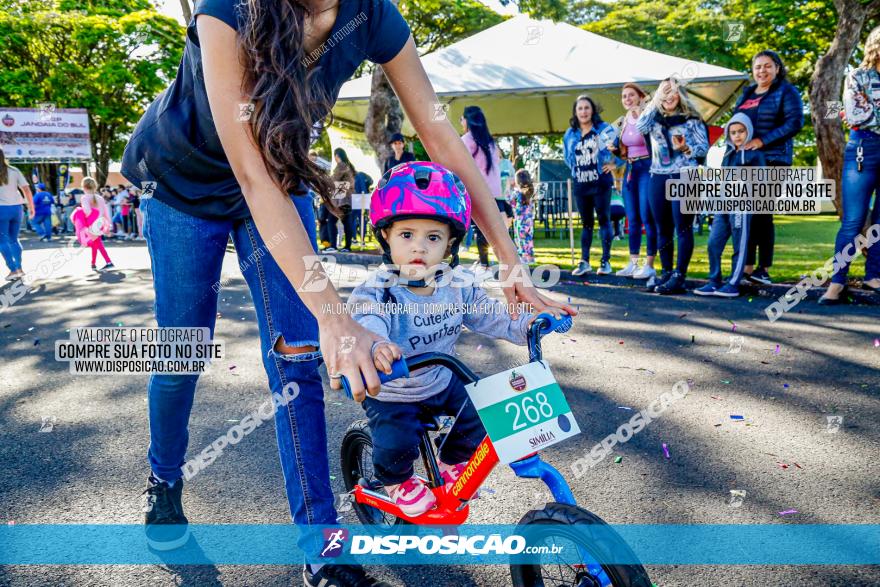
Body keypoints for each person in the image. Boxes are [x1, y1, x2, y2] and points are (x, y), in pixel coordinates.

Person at [119, 1, 572, 585]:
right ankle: (164, 476)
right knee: (183, 350)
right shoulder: (227, 9)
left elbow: (440, 134)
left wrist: (513, 264)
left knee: (299, 357)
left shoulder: (373, 15)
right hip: (183, 184)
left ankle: (322, 550)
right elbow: (248, 175)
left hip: (277, 177)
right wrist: (336, 316)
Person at [348, 162, 540, 515]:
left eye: (432, 237)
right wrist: (376, 343)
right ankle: (395, 480)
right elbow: (365, 317)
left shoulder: (457, 283)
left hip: (441, 379)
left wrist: (529, 324)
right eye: (406, 235)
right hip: (394, 390)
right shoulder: (377, 289)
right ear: (386, 236)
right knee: (397, 441)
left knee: (489, 410)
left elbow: (491, 315)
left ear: (450, 242)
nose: (419, 247)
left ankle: (453, 460)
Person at [733, 50, 804, 285]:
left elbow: (795, 123)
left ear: (777, 68)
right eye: (758, 67)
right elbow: (736, 123)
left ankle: (763, 269)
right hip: (747, 161)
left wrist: (762, 141)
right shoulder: (747, 93)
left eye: (767, 66)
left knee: (762, 213)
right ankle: (746, 268)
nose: (762, 71)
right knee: (747, 214)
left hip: (773, 159)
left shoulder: (786, 91)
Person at [820, 28, 880, 304]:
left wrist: (871, 110)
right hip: (863, 149)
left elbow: (865, 113)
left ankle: (873, 275)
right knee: (853, 221)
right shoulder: (858, 75)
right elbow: (856, 114)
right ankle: (837, 281)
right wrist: (866, 113)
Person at [637, 79, 709, 295]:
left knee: (683, 227)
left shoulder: (692, 120)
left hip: (685, 175)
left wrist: (686, 147)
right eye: (665, 92)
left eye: (673, 92)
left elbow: (703, 148)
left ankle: (679, 275)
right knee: (663, 228)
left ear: (681, 96)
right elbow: (640, 125)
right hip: (658, 176)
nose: (669, 97)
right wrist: (655, 98)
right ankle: (667, 272)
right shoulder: (654, 120)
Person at [694, 113, 764, 298]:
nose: (738, 135)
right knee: (713, 243)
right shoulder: (727, 152)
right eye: (733, 132)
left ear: (748, 131)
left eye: (741, 131)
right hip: (722, 204)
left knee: (739, 245)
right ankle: (714, 281)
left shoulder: (755, 154)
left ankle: (733, 283)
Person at [563, 94, 618, 277]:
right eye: (580, 108)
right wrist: (576, 170)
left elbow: (621, 149)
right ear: (575, 112)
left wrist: (614, 164)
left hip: (600, 181)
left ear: (592, 110)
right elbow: (567, 157)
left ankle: (605, 261)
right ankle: (584, 261)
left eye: (587, 108)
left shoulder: (604, 129)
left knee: (604, 219)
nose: (584, 112)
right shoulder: (570, 134)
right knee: (586, 223)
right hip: (581, 183)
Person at [612, 82, 656, 280]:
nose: (627, 99)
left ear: (640, 96)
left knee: (647, 216)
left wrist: (642, 117)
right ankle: (633, 263)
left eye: (631, 95)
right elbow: (623, 150)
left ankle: (649, 265)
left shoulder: (648, 115)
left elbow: (655, 140)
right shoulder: (623, 121)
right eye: (624, 96)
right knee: (632, 217)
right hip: (631, 168)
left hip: (647, 166)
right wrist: (614, 151)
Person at [460, 105, 507, 270]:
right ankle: (504, 263)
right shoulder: (491, 141)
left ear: (466, 120)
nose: (461, 122)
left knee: (479, 228)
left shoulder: (467, 139)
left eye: (461, 119)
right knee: (496, 230)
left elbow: (461, 165)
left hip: (479, 191)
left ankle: (485, 264)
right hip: (496, 193)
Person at [0, 150, 34, 281]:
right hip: (16, 209)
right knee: (14, 239)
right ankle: (19, 268)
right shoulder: (14, 170)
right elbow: (26, 189)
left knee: (2, 241)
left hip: (1, 209)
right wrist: (31, 207)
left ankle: (13, 269)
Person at [71, 177, 114, 272]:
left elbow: (87, 211)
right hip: (100, 223)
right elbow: (105, 212)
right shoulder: (100, 198)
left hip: (91, 224)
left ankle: (108, 262)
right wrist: (108, 225)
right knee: (95, 243)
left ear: (84, 187)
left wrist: (79, 212)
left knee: (97, 243)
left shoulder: (85, 197)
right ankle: (93, 263)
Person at [330, 147, 356, 253]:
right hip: (347, 197)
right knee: (347, 221)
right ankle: (347, 246)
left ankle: (333, 245)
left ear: (336, 156)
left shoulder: (341, 166)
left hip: (341, 197)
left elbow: (333, 180)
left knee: (331, 220)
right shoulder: (348, 165)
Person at [511, 168, 535, 263]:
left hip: (521, 222)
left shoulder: (518, 194)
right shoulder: (530, 192)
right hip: (529, 222)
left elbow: (517, 209)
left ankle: (524, 258)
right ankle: (529, 258)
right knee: (528, 239)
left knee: (521, 240)